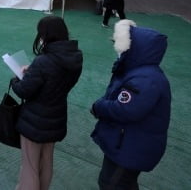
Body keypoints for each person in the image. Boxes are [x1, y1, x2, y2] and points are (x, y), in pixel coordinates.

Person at [91, 20, 171, 190]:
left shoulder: (145, 79)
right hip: (129, 143)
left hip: (131, 147)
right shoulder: (141, 73)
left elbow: (126, 109)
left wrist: (99, 107)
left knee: (112, 184)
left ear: (134, 48)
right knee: (119, 183)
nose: (119, 50)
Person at [10, 16, 83, 190]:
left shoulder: (43, 61)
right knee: (46, 161)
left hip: (34, 121)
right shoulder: (75, 57)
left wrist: (16, 80)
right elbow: (54, 81)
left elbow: (23, 90)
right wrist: (33, 72)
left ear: (46, 35)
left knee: (30, 166)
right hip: (56, 117)